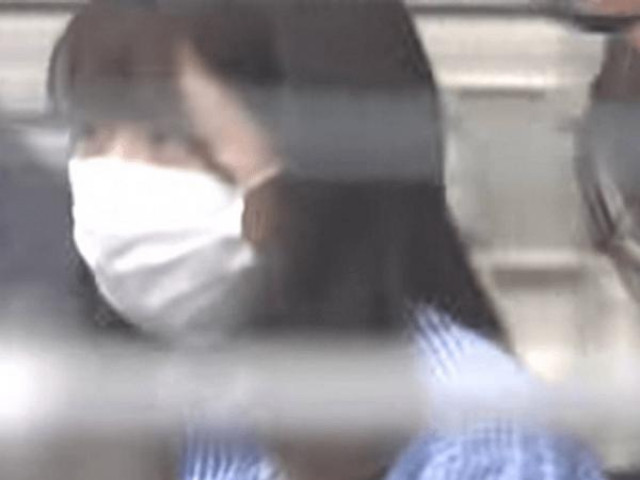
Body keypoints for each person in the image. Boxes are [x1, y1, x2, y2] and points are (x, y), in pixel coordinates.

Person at [48, 1, 606, 479]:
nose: (113, 172)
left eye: (168, 135)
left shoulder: (472, 427)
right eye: (90, 130)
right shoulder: (159, 393)